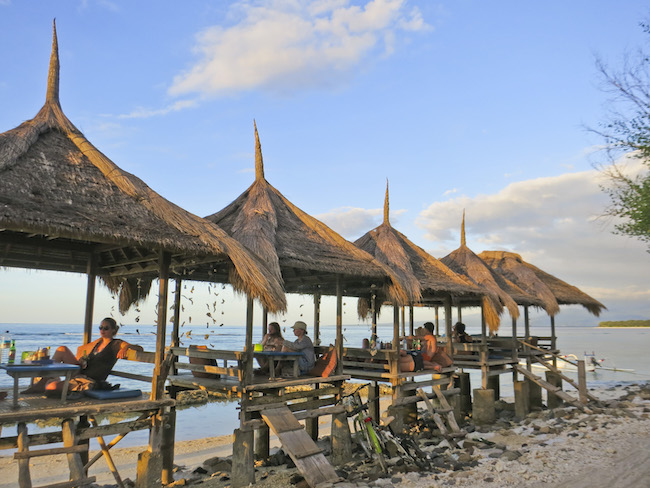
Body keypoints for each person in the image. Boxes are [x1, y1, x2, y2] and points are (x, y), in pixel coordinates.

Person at [24, 317, 143, 394]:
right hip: (81, 370)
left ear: (113, 330)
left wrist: (126, 348)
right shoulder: (98, 343)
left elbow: (139, 348)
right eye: (100, 327)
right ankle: (42, 382)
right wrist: (81, 359)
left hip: (90, 380)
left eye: (106, 328)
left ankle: (46, 382)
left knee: (51, 387)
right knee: (62, 349)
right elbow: (83, 351)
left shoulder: (116, 344)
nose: (102, 330)